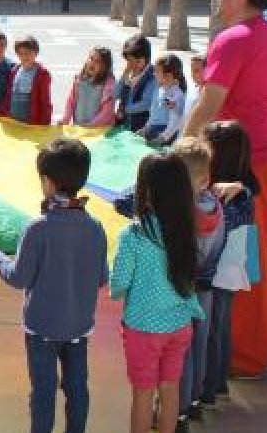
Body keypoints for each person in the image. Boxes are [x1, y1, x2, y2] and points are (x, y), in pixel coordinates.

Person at [181, 0, 267, 377]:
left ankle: (241, 356)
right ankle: (260, 346)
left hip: (249, 167)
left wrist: (182, 149)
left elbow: (208, 105)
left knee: (241, 263)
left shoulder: (233, 39)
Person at [0, 138, 108, 433]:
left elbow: (18, 278)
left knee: (43, 393)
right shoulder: (95, 228)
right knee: (77, 390)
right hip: (79, 327)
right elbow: (102, 278)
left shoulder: (38, 228)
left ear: (47, 182)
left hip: (41, 329)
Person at [110, 153, 204, 433]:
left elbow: (119, 284)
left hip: (143, 328)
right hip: (180, 324)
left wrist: (117, 289)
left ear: (146, 190)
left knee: (143, 394)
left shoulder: (134, 235)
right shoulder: (187, 230)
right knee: (170, 388)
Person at [199, 121, 258, 405]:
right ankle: (217, 382)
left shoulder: (229, 192)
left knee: (213, 328)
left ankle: (209, 387)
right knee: (220, 326)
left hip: (221, 268)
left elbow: (218, 226)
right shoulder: (245, 184)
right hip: (233, 266)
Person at [171, 138, 224, 429]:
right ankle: (194, 400)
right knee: (199, 344)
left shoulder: (181, 212)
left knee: (181, 350)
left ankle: (177, 408)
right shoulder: (217, 206)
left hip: (184, 288)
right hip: (207, 286)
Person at [0, 36, 53, 125]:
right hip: (13, 119)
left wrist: (45, 124)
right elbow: (8, 95)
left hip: (30, 122)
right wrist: (1, 112)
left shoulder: (42, 74)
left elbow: (45, 102)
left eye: (28, 53)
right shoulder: (15, 70)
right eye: (21, 53)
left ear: (36, 53)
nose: (24, 56)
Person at [60, 47, 116, 126]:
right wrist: (66, 119)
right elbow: (71, 102)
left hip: (100, 130)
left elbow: (107, 112)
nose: (92, 63)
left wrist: (90, 125)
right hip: (80, 127)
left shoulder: (109, 84)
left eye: (98, 61)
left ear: (105, 67)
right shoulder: (79, 80)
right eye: (91, 58)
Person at [139, 54, 187, 145]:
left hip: (163, 135)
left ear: (168, 75)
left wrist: (163, 137)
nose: (154, 74)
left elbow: (175, 121)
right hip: (152, 131)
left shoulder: (176, 95)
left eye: (157, 71)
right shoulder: (159, 90)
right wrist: (145, 128)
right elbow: (153, 113)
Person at [117, 34, 157, 132]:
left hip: (141, 127)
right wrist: (125, 73)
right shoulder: (129, 74)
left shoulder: (153, 76)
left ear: (145, 59)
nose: (133, 65)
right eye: (130, 61)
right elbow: (115, 94)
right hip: (125, 124)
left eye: (137, 61)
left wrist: (124, 110)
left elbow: (146, 103)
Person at [182, 56, 206, 122]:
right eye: (192, 70)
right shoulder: (192, 90)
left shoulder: (209, 93)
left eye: (196, 70)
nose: (192, 74)